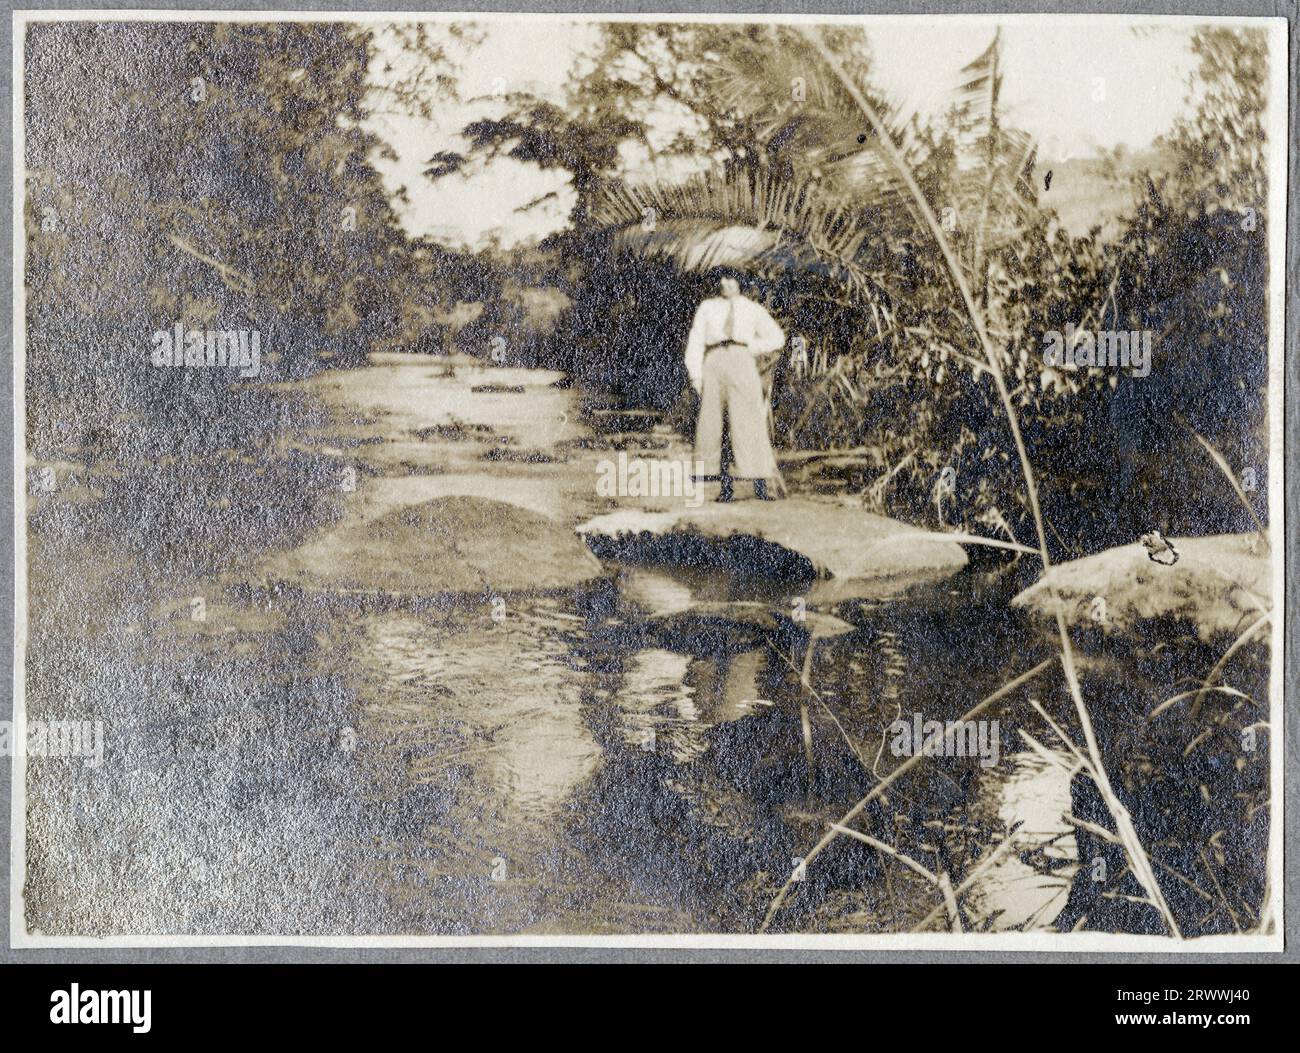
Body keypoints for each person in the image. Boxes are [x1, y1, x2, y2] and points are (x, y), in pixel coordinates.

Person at [684, 270, 786, 502]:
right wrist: (696, 376)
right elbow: (696, 341)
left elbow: (777, 337)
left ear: (740, 281)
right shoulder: (708, 307)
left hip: (742, 363)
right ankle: (725, 489)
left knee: (750, 422)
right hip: (714, 363)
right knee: (716, 425)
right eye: (721, 278)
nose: (725, 283)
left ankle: (761, 487)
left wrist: (750, 347)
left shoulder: (752, 309)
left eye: (730, 278)